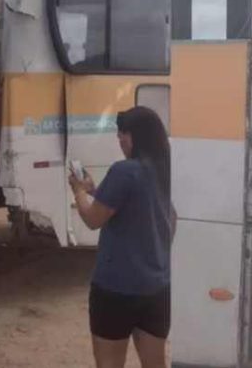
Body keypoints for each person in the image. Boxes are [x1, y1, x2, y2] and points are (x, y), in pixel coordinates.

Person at [68, 106, 174, 368]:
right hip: (156, 289)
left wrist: (78, 191)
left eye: (123, 133)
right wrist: (94, 191)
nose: (119, 139)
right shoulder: (162, 171)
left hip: (115, 289)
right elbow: (167, 217)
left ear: (136, 136)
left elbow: (93, 219)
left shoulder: (125, 170)